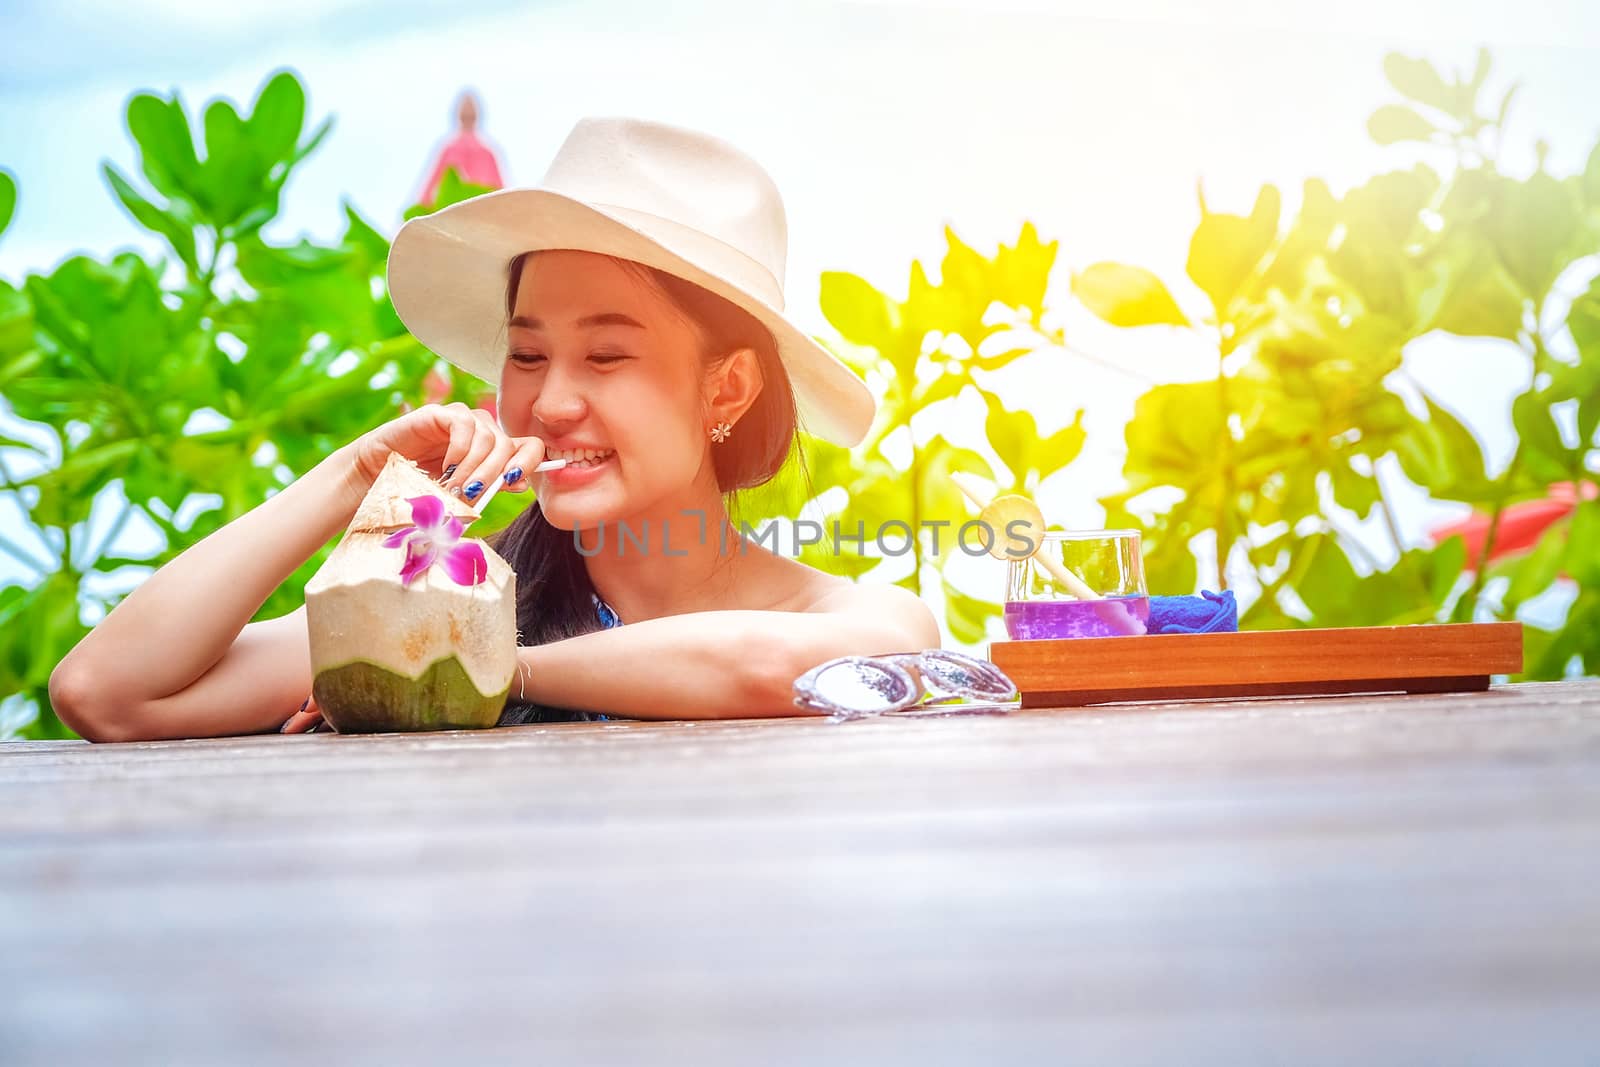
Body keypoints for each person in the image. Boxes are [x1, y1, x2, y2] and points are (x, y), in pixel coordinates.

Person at [49, 116, 940, 741]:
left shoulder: (844, 613)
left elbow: (768, 669)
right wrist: (352, 477)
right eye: (525, 356)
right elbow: (106, 694)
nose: (549, 402)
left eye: (606, 357)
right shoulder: (447, 613)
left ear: (728, 388)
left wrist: (482, 670)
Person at [417, 90, 504, 205]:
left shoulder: (487, 152)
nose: (468, 112)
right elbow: (427, 194)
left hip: (480, 212)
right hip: (452, 214)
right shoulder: (449, 149)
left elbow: (501, 192)